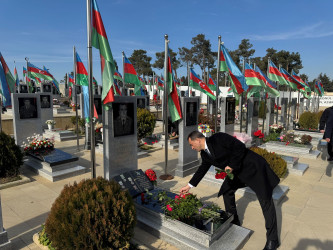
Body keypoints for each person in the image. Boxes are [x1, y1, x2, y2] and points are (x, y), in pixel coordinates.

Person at [180, 131, 280, 250]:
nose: (192, 147)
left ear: (198, 140)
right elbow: (202, 169)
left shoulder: (218, 138)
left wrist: (231, 165)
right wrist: (189, 185)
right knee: (226, 191)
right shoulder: (205, 154)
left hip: (253, 168)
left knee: (266, 202)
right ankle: (234, 222)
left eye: (192, 144)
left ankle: (273, 240)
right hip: (238, 173)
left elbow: (240, 147)